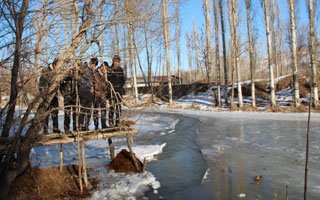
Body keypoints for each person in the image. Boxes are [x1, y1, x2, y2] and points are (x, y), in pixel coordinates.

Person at [39, 58, 61, 134]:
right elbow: (41, 84)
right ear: (54, 64)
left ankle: (55, 128)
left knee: (55, 112)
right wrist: (43, 95)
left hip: (55, 95)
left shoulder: (57, 72)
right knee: (46, 113)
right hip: (47, 96)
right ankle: (45, 130)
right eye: (58, 65)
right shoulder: (45, 70)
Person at [78, 57, 97, 131]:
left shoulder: (92, 71)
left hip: (90, 93)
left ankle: (86, 125)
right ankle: (80, 125)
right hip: (84, 91)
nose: (94, 66)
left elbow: (93, 81)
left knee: (89, 110)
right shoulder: (85, 68)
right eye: (93, 65)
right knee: (83, 109)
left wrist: (92, 86)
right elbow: (83, 79)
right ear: (91, 64)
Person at [60, 63, 79, 133]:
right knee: (67, 113)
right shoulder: (66, 76)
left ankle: (75, 127)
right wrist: (64, 95)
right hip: (67, 96)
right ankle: (66, 128)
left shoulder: (76, 77)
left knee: (75, 113)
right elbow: (60, 86)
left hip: (74, 97)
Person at [107, 55, 125, 127]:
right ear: (113, 62)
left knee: (118, 107)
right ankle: (111, 122)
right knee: (112, 106)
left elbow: (123, 80)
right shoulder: (110, 69)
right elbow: (107, 80)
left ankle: (117, 121)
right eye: (115, 61)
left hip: (118, 91)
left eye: (118, 62)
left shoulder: (121, 70)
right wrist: (110, 87)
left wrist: (119, 87)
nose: (117, 63)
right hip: (111, 90)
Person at [93, 61, 109, 129]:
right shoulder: (95, 73)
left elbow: (107, 85)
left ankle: (103, 124)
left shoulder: (105, 75)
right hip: (96, 94)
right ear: (101, 67)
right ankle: (96, 125)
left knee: (103, 110)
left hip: (103, 95)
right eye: (104, 67)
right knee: (96, 110)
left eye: (106, 68)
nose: (104, 69)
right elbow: (93, 82)